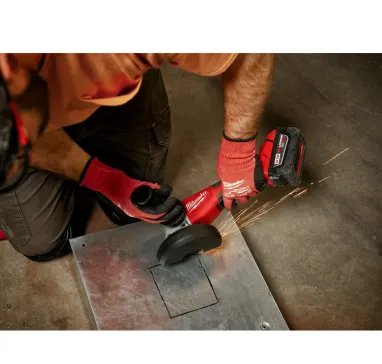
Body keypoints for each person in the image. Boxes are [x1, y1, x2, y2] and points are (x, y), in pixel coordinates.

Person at [0, 53, 274, 261]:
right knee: (40, 242)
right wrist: (103, 178)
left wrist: (238, 152)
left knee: (136, 210)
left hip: (117, 90)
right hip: (37, 106)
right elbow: (20, 139)